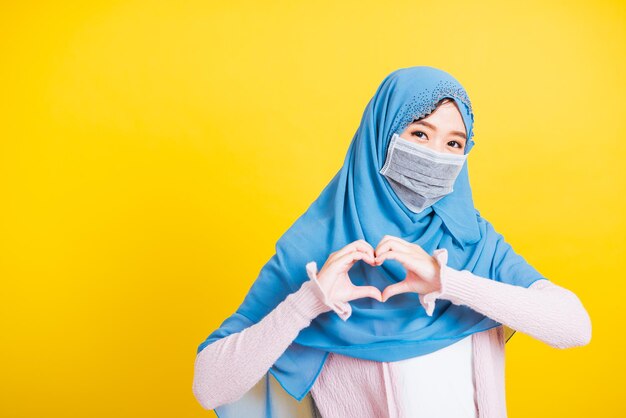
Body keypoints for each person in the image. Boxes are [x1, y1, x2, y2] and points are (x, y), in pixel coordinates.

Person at [192, 66, 592, 418]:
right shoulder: (313, 252)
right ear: (379, 135)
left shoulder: (472, 241)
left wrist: (448, 281)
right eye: (420, 133)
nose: (437, 155)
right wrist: (308, 302)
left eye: (453, 143)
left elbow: (574, 327)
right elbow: (209, 386)